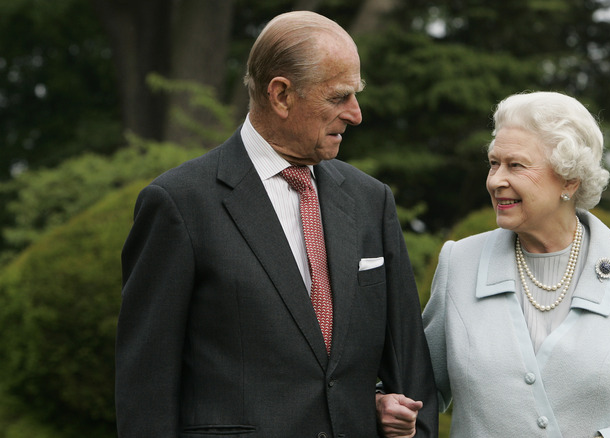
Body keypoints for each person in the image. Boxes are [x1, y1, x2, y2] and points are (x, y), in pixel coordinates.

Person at [116, 11, 437, 438]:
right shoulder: (178, 204)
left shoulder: (371, 201)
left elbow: (410, 371)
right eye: (339, 97)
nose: (356, 114)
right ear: (281, 95)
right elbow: (146, 390)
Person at [379, 91, 610, 437]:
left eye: (516, 165)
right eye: (494, 163)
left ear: (569, 179)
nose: (495, 181)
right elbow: (416, 390)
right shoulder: (459, 263)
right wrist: (387, 406)